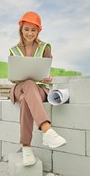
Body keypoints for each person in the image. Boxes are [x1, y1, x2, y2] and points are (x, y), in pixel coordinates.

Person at [9, 11, 67, 166]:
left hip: (39, 88)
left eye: (33, 30)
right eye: (26, 29)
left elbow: (46, 71)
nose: (30, 33)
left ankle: (26, 148)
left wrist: (47, 78)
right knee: (27, 84)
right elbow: (13, 76)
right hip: (18, 86)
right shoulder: (13, 50)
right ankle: (47, 130)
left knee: (25, 98)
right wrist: (16, 76)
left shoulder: (45, 47)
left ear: (39, 30)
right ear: (21, 29)